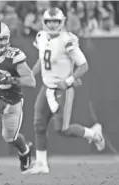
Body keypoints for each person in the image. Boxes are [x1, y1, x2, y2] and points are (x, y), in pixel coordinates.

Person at [24, 7, 105, 174]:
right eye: (49, 21)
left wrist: (69, 80)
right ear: (44, 23)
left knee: (62, 129)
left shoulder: (67, 39)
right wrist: (31, 75)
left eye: (56, 22)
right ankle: (41, 164)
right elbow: (41, 60)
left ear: (62, 22)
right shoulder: (41, 37)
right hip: (46, 87)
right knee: (39, 125)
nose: (53, 25)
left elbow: (84, 65)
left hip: (63, 90)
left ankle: (94, 134)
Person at [0, 22, 35, 172]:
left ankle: (25, 151)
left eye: (1, 39)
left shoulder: (14, 56)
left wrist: (11, 80)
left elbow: (31, 81)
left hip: (11, 103)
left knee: (9, 138)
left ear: (8, 39)